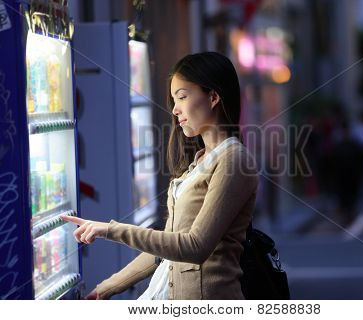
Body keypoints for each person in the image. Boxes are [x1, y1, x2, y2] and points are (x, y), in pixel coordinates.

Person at [62, 52, 259, 300]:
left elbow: (195, 247)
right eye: (174, 100)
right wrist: (105, 289)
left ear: (213, 97)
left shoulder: (234, 160)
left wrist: (110, 230)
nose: (175, 109)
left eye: (183, 97)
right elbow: (163, 252)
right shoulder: (199, 160)